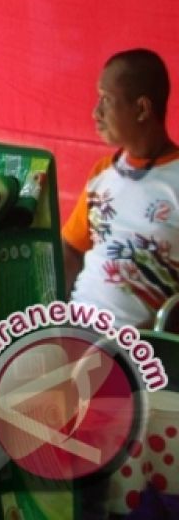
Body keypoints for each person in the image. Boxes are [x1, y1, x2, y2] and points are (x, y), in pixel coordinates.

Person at [63, 49, 178, 329]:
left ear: (141, 109)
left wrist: (152, 339)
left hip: (143, 349)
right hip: (77, 330)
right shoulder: (103, 172)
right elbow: (71, 251)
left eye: (106, 99)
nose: (95, 112)